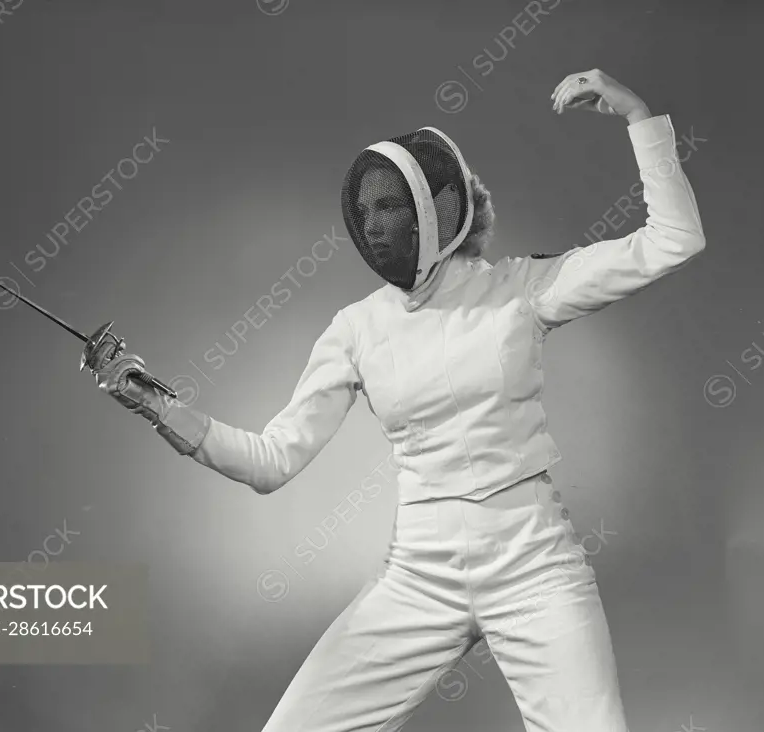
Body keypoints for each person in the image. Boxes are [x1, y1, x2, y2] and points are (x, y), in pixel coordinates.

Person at [85, 68, 706, 732]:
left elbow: (672, 240)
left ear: (436, 210)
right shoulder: (357, 329)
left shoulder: (520, 288)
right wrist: (154, 401)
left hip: (534, 566)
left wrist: (639, 114)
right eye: (365, 212)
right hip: (421, 576)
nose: (374, 226)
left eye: (390, 207)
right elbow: (271, 460)